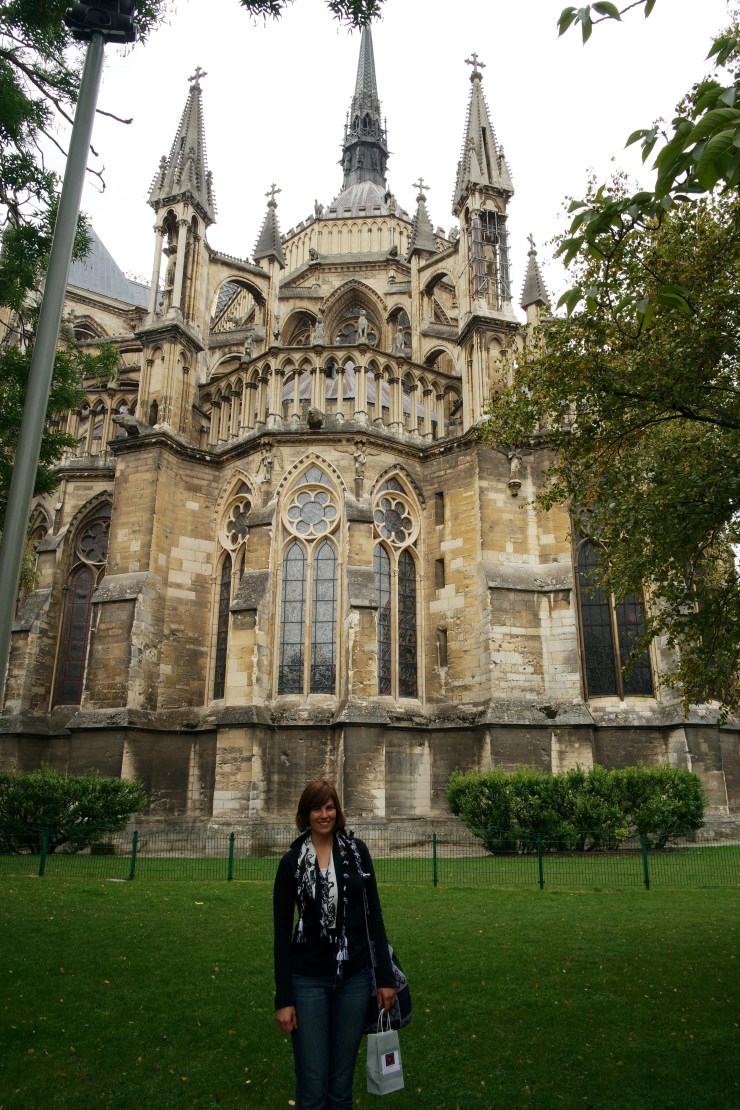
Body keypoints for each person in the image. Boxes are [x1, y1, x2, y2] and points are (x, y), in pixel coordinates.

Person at [273, 779, 396, 1109]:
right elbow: (282, 934)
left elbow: (373, 914)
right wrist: (283, 998)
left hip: (354, 979)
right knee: (313, 1086)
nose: (324, 815)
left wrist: (384, 977)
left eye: (329, 808)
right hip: (307, 980)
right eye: (317, 808)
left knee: (341, 1085)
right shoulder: (291, 862)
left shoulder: (356, 854)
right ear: (305, 815)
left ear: (337, 812)